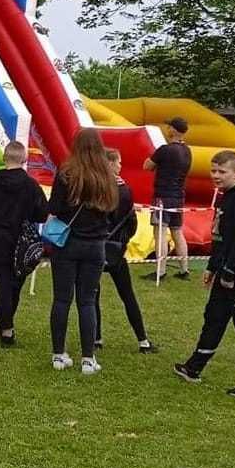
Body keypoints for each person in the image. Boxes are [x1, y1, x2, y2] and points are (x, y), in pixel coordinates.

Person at [173, 150, 235, 397]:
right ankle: (194, 367)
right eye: (213, 171)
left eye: (222, 172)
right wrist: (212, 267)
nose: (216, 176)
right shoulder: (226, 198)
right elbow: (221, 238)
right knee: (214, 315)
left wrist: (229, 271)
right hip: (226, 268)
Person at [46, 128, 118, 374]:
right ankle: (88, 358)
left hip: (67, 244)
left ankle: (58, 354)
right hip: (95, 245)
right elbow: (113, 210)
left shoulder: (66, 173)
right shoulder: (107, 176)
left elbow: (54, 206)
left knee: (62, 299)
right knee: (87, 301)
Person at [0, 139, 49, 347]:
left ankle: (5, 326)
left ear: (3, 158)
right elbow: (43, 213)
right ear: (24, 159)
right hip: (22, 239)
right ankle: (6, 325)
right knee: (15, 283)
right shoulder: (31, 185)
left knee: (2, 283)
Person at [95, 149, 158, 354]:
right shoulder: (124, 190)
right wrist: (123, 242)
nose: (121, 166)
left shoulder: (96, 188)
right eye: (119, 162)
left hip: (95, 247)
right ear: (111, 163)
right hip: (116, 249)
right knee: (127, 295)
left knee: (92, 295)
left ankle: (96, 337)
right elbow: (130, 222)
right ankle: (143, 340)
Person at [143, 116, 193, 280]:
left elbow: (147, 165)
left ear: (172, 130)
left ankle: (161, 270)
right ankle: (184, 269)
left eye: (169, 126)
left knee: (160, 233)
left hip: (163, 196)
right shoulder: (187, 151)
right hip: (178, 196)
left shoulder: (165, 150)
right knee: (178, 232)